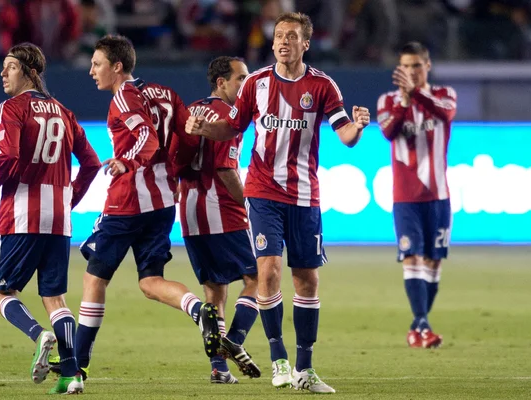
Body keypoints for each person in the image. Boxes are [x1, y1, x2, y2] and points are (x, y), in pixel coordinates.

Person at [186, 12, 370, 394]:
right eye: (279, 35)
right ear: (272, 44)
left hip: (305, 195)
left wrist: (359, 125)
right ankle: (279, 360)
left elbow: (346, 136)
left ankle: (305, 368)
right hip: (263, 191)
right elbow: (232, 128)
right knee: (267, 272)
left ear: (306, 43)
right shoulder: (255, 83)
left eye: (292, 36)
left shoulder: (322, 86)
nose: (284, 41)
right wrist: (206, 128)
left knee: (307, 279)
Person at [69, 34, 220, 384]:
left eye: (97, 64)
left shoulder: (123, 96)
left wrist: (127, 161)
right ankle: (200, 310)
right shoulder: (166, 93)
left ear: (117, 66)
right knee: (150, 281)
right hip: (164, 201)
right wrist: (176, 173)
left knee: (94, 278)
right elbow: (189, 136)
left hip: (128, 201)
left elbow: (147, 139)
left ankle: (77, 366)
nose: (91, 71)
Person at [0, 42, 101, 394]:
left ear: (31, 72)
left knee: (3, 291)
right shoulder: (64, 112)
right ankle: (70, 376)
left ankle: (38, 335)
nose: (3, 73)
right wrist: (69, 197)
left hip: (20, 215)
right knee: (55, 298)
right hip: (59, 218)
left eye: (11, 67)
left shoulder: (11, 108)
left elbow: (9, 155)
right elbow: (92, 163)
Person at [180, 56, 260, 384]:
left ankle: (219, 369)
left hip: (189, 211)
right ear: (221, 83)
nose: (246, 84)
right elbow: (226, 168)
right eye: (240, 78)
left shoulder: (191, 110)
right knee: (259, 280)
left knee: (214, 290)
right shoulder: (230, 116)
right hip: (220, 209)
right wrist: (250, 206)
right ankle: (233, 343)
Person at [377, 41, 456, 348]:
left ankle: (417, 325)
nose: (411, 71)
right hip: (405, 197)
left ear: (428, 65)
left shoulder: (444, 95)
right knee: (412, 257)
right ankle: (422, 324)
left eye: (416, 66)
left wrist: (417, 94)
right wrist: (405, 100)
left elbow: (445, 115)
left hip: (438, 194)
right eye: (405, 66)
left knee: (434, 262)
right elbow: (388, 130)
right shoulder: (388, 100)